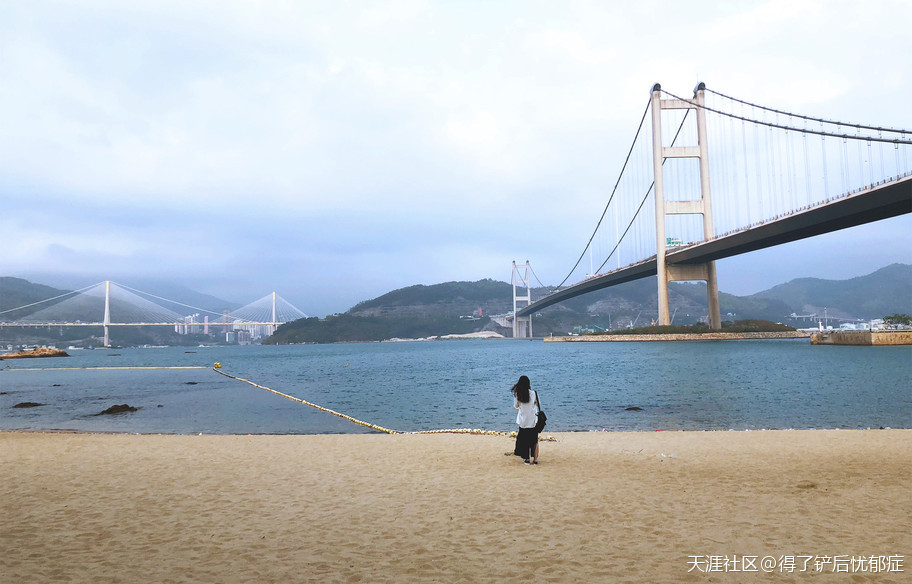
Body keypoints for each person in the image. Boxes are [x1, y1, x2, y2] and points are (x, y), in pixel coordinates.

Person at [511, 375, 540, 465]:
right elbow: (537, 404)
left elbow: (516, 406)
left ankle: (527, 459)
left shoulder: (518, 394)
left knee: (525, 441)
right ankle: (535, 460)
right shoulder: (533, 393)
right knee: (534, 441)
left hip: (523, 421)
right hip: (533, 421)